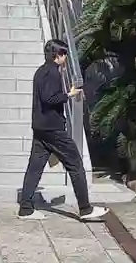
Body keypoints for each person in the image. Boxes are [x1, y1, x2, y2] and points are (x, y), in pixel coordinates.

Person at [18, 39, 108, 222]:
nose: (66, 57)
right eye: (64, 54)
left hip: (41, 128)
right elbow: (50, 98)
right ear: (57, 55)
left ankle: (26, 208)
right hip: (53, 129)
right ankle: (85, 208)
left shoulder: (40, 71)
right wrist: (69, 94)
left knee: (35, 168)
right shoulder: (53, 73)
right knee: (76, 164)